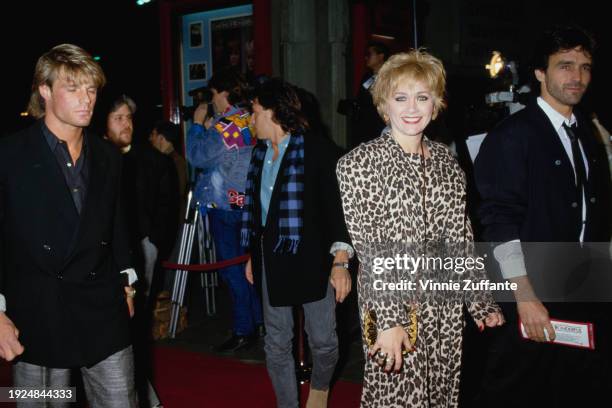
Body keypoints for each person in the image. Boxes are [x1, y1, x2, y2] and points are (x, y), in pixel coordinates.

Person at [336, 50, 504, 407]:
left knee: (441, 394)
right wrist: (392, 320)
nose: (412, 108)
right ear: (384, 104)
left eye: (422, 97)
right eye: (401, 98)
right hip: (391, 302)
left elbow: (459, 239)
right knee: (395, 398)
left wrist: (479, 301)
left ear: (436, 103)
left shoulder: (447, 161)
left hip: (441, 303)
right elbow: (374, 249)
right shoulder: (359, 164)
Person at [474, 25, 611, 407]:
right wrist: (525, 295)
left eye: (585, 67)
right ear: (539, 73)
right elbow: (499, 222)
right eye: (565, 66)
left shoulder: (584, 131)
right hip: (530, 290)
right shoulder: (512, 136)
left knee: (570, 388)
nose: (577, 77)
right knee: (513, 389)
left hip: (580, 286)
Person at [0, 44, 138, 406]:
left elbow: (117, 227)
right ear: (44, 91)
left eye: (91, 89)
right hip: (38, 310)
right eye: (73, 88)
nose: (86, 99)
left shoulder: (108, 156)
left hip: (102, 307)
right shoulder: (10, 155)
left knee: (120, 401)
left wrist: (128, 283)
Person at [241, 78, 352, 408]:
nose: (251, 119)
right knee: (276, 341)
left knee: (324, 341)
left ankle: (319, 390)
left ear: (274, 112)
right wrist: (253, 254)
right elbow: (260, 211)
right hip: (270, 257)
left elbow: (338, 211)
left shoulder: (318, 151)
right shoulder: (259, 154)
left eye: (255, 112)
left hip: (312, 258)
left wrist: (341, 262)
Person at [186, 68, 263, 352]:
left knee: (233, 271)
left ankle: (244, 329)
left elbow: (197, 156)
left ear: (224, 93)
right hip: (244, 202)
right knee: (249, 269)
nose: (212, 101)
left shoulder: (228, 123)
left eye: (214, 94)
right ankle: (258, 321)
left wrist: (196, 125)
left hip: (227, 206)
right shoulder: (249, 119)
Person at [352, 42, 390, 147]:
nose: (366, 58)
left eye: (369, 54)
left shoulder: (389, 77)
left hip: (380, 125)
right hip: (364, 126)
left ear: (381, 56)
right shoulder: (367, 77)